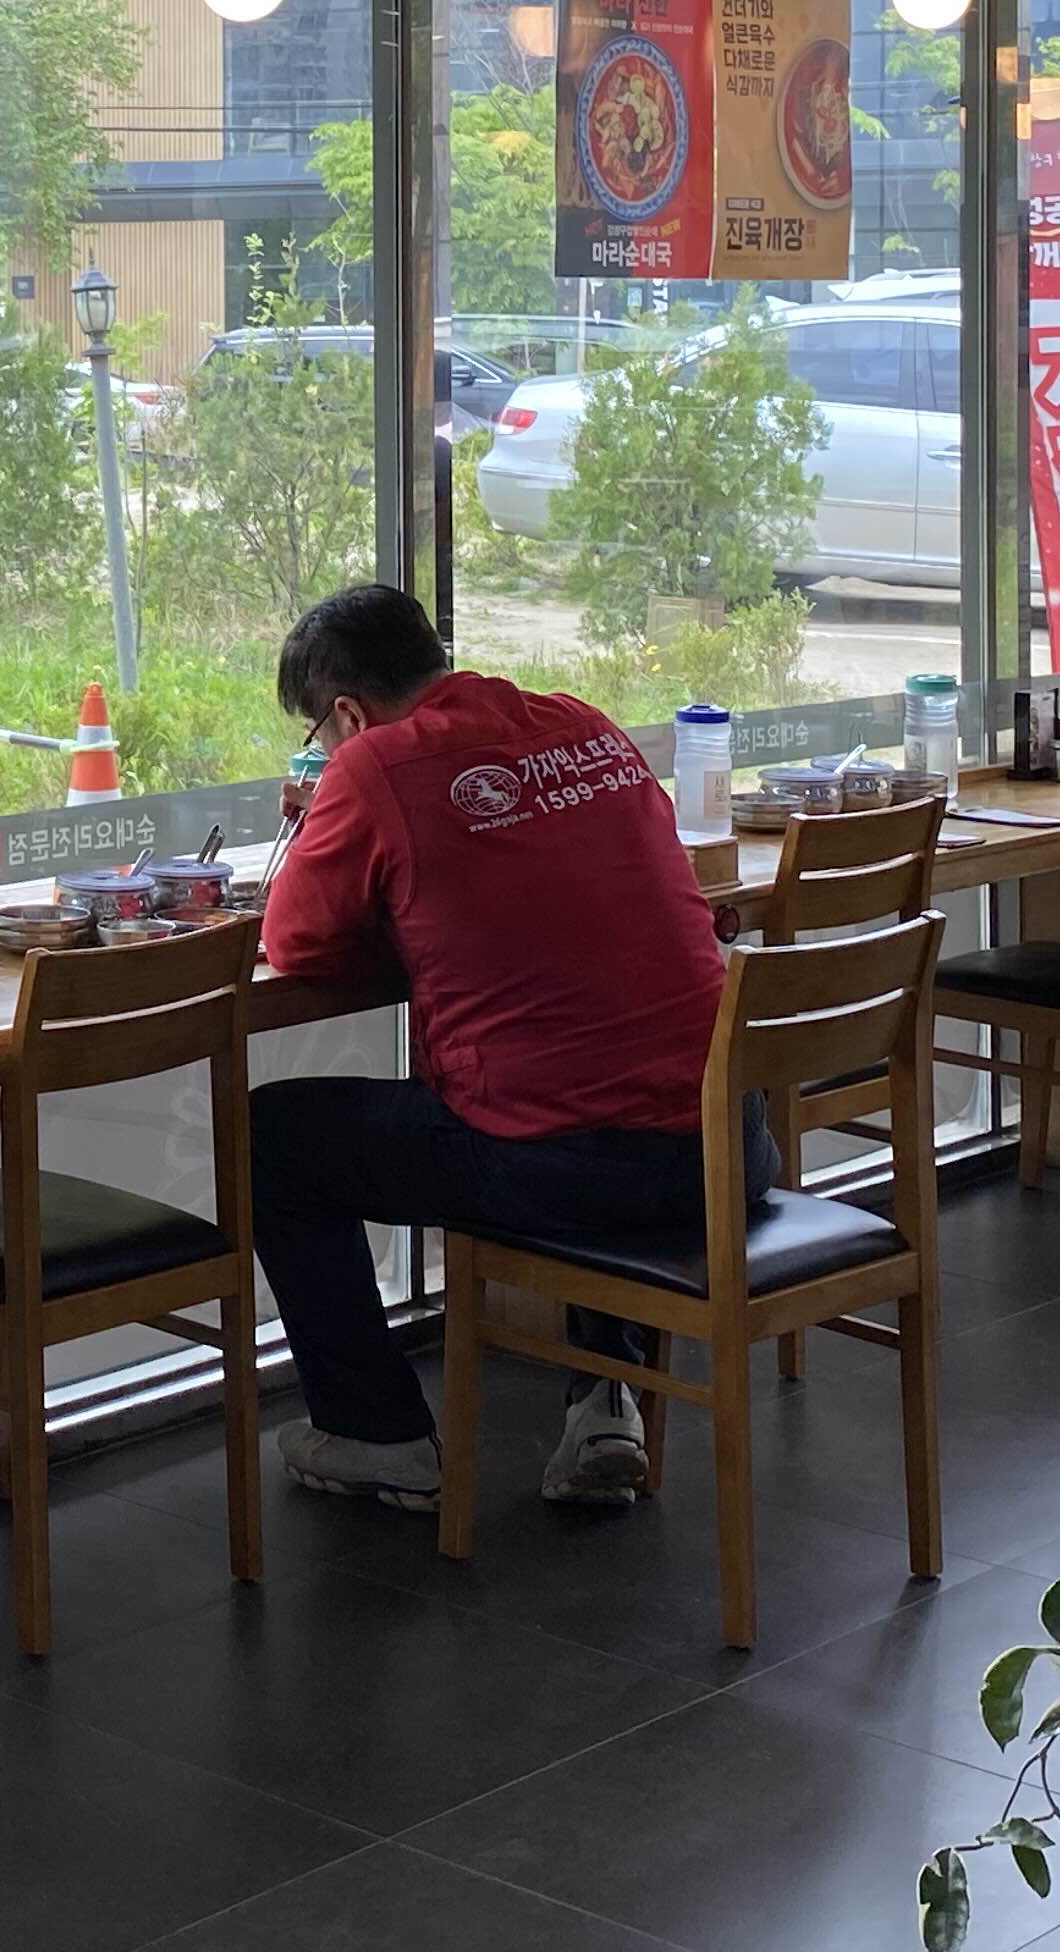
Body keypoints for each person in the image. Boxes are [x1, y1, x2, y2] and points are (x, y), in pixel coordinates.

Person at [251, 581, 769, 1516]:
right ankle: (604, 1402)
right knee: (584, 1054)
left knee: (271, 1137)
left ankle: (379, 1436)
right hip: (730, 1143)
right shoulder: (582, 724)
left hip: (575, 1166)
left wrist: (329, 808)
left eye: (319, 738)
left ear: (347, 715)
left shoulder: (375, 768)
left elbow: (294, 943)